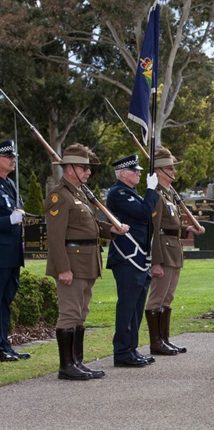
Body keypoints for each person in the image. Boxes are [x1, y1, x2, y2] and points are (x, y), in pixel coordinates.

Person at [45, 143, 129, 380]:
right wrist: (63, 269)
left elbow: (87, 227)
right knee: (69, 313)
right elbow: (55, 236)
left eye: (88, 168)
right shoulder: (59, 195)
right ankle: (66, 366)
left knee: (81, 312)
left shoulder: (79, 193)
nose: (88, 172)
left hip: (87, 262)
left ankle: (77, 361)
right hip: (72, 262)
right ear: (69, 168)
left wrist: (110, 229)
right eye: (83, 168)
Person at [145, 147, 203, 355]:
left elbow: (170, 225)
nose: (174, 172)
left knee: (167, 298)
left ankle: (164, 339)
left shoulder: (169, 194)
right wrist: (156, 261)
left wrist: (187, 228)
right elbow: (154, 230)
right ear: (160, 170)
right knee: (157, 298)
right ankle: (155, 342)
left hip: (174, 250)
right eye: (170, 168)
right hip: (163, 252)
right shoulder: (156, 196)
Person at [106, 154, 159, 367]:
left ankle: (132, 349)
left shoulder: (131, 193)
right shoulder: (118, 193)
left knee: (136, 306)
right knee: (127, 306)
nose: (138, 173)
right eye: (134, 170)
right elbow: (145, 213)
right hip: (127, 257)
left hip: (139, 257)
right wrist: (151, 190)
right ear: (122, 173)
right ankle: (121, 352)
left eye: (138, 170)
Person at [0, 139, 29, 362]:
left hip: (12, 255)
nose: (13, 160)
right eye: (9, 156)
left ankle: (5, 345)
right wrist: (8, 219)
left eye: (14, 157)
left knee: (6, 301)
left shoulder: (9, 183)